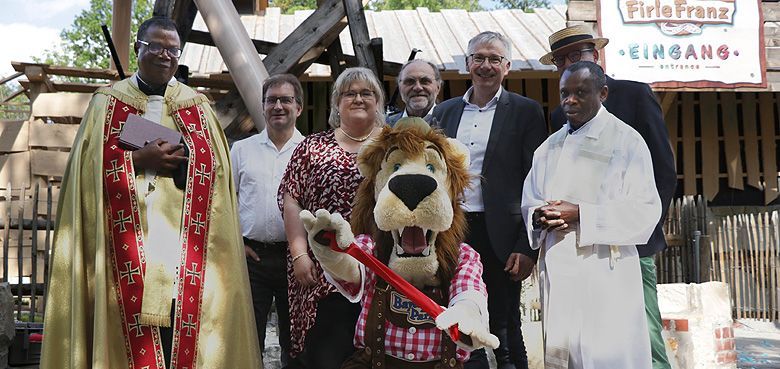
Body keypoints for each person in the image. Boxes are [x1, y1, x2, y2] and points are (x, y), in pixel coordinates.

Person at [41, 17, 261, 369]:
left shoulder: (197, 107)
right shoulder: (106, 104)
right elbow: (84, 175)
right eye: (155, 47)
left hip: (183, 252)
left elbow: (216, 171)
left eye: (172, 49)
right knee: (125, 331)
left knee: (179, 332)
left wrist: (184, 158)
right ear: (139, 49)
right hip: (122, 249)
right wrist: (138, 159)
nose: (164, 55)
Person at [540, 24, 676, 369]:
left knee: (640, 335)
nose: (569, 62)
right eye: (561, 59)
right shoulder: (560, 120)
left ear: (595, 55)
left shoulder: (633, 95)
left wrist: (639, 232)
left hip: (625, 245)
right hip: (568, 251)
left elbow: (660, 169)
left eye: (577, 54)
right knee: (572, 342)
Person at [432, 31, 548, 369]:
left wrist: (528, 247)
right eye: (478, 58)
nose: (485, 65)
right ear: (468, 64)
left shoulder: (525, 112)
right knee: (453, 322)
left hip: (502, 237)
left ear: (507, 67)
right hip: (453, 231)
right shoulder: (446, 112)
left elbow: (535, 182)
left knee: (505, 327)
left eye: (494, 59)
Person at [278, 67, 385, 369]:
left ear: (378, 101)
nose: (358, 98)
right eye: (350, 93)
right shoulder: (312, 147)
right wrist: (300, 255)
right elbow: (290, 199)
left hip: (381, 270)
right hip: (323, 271)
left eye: (367, 93)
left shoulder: (394, 145)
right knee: (327, 354)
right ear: (337, 103)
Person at [231, 74, 305, 367]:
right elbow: (226, 200)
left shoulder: (310, 150)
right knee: (248, 338)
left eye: (285, 100)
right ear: (262, 107)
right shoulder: (241, 150)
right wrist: (237, 243)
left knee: (295, 341)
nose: (278, 106)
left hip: (295, 259)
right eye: (271, 100)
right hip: (251, 259)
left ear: (298, 107)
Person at [386, 59, 442, 126]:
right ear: (400, 88)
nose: (417, 88)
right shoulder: (386, 126)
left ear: (438, 87)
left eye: (425, 81)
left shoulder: (453, 123)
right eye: (410, 81)